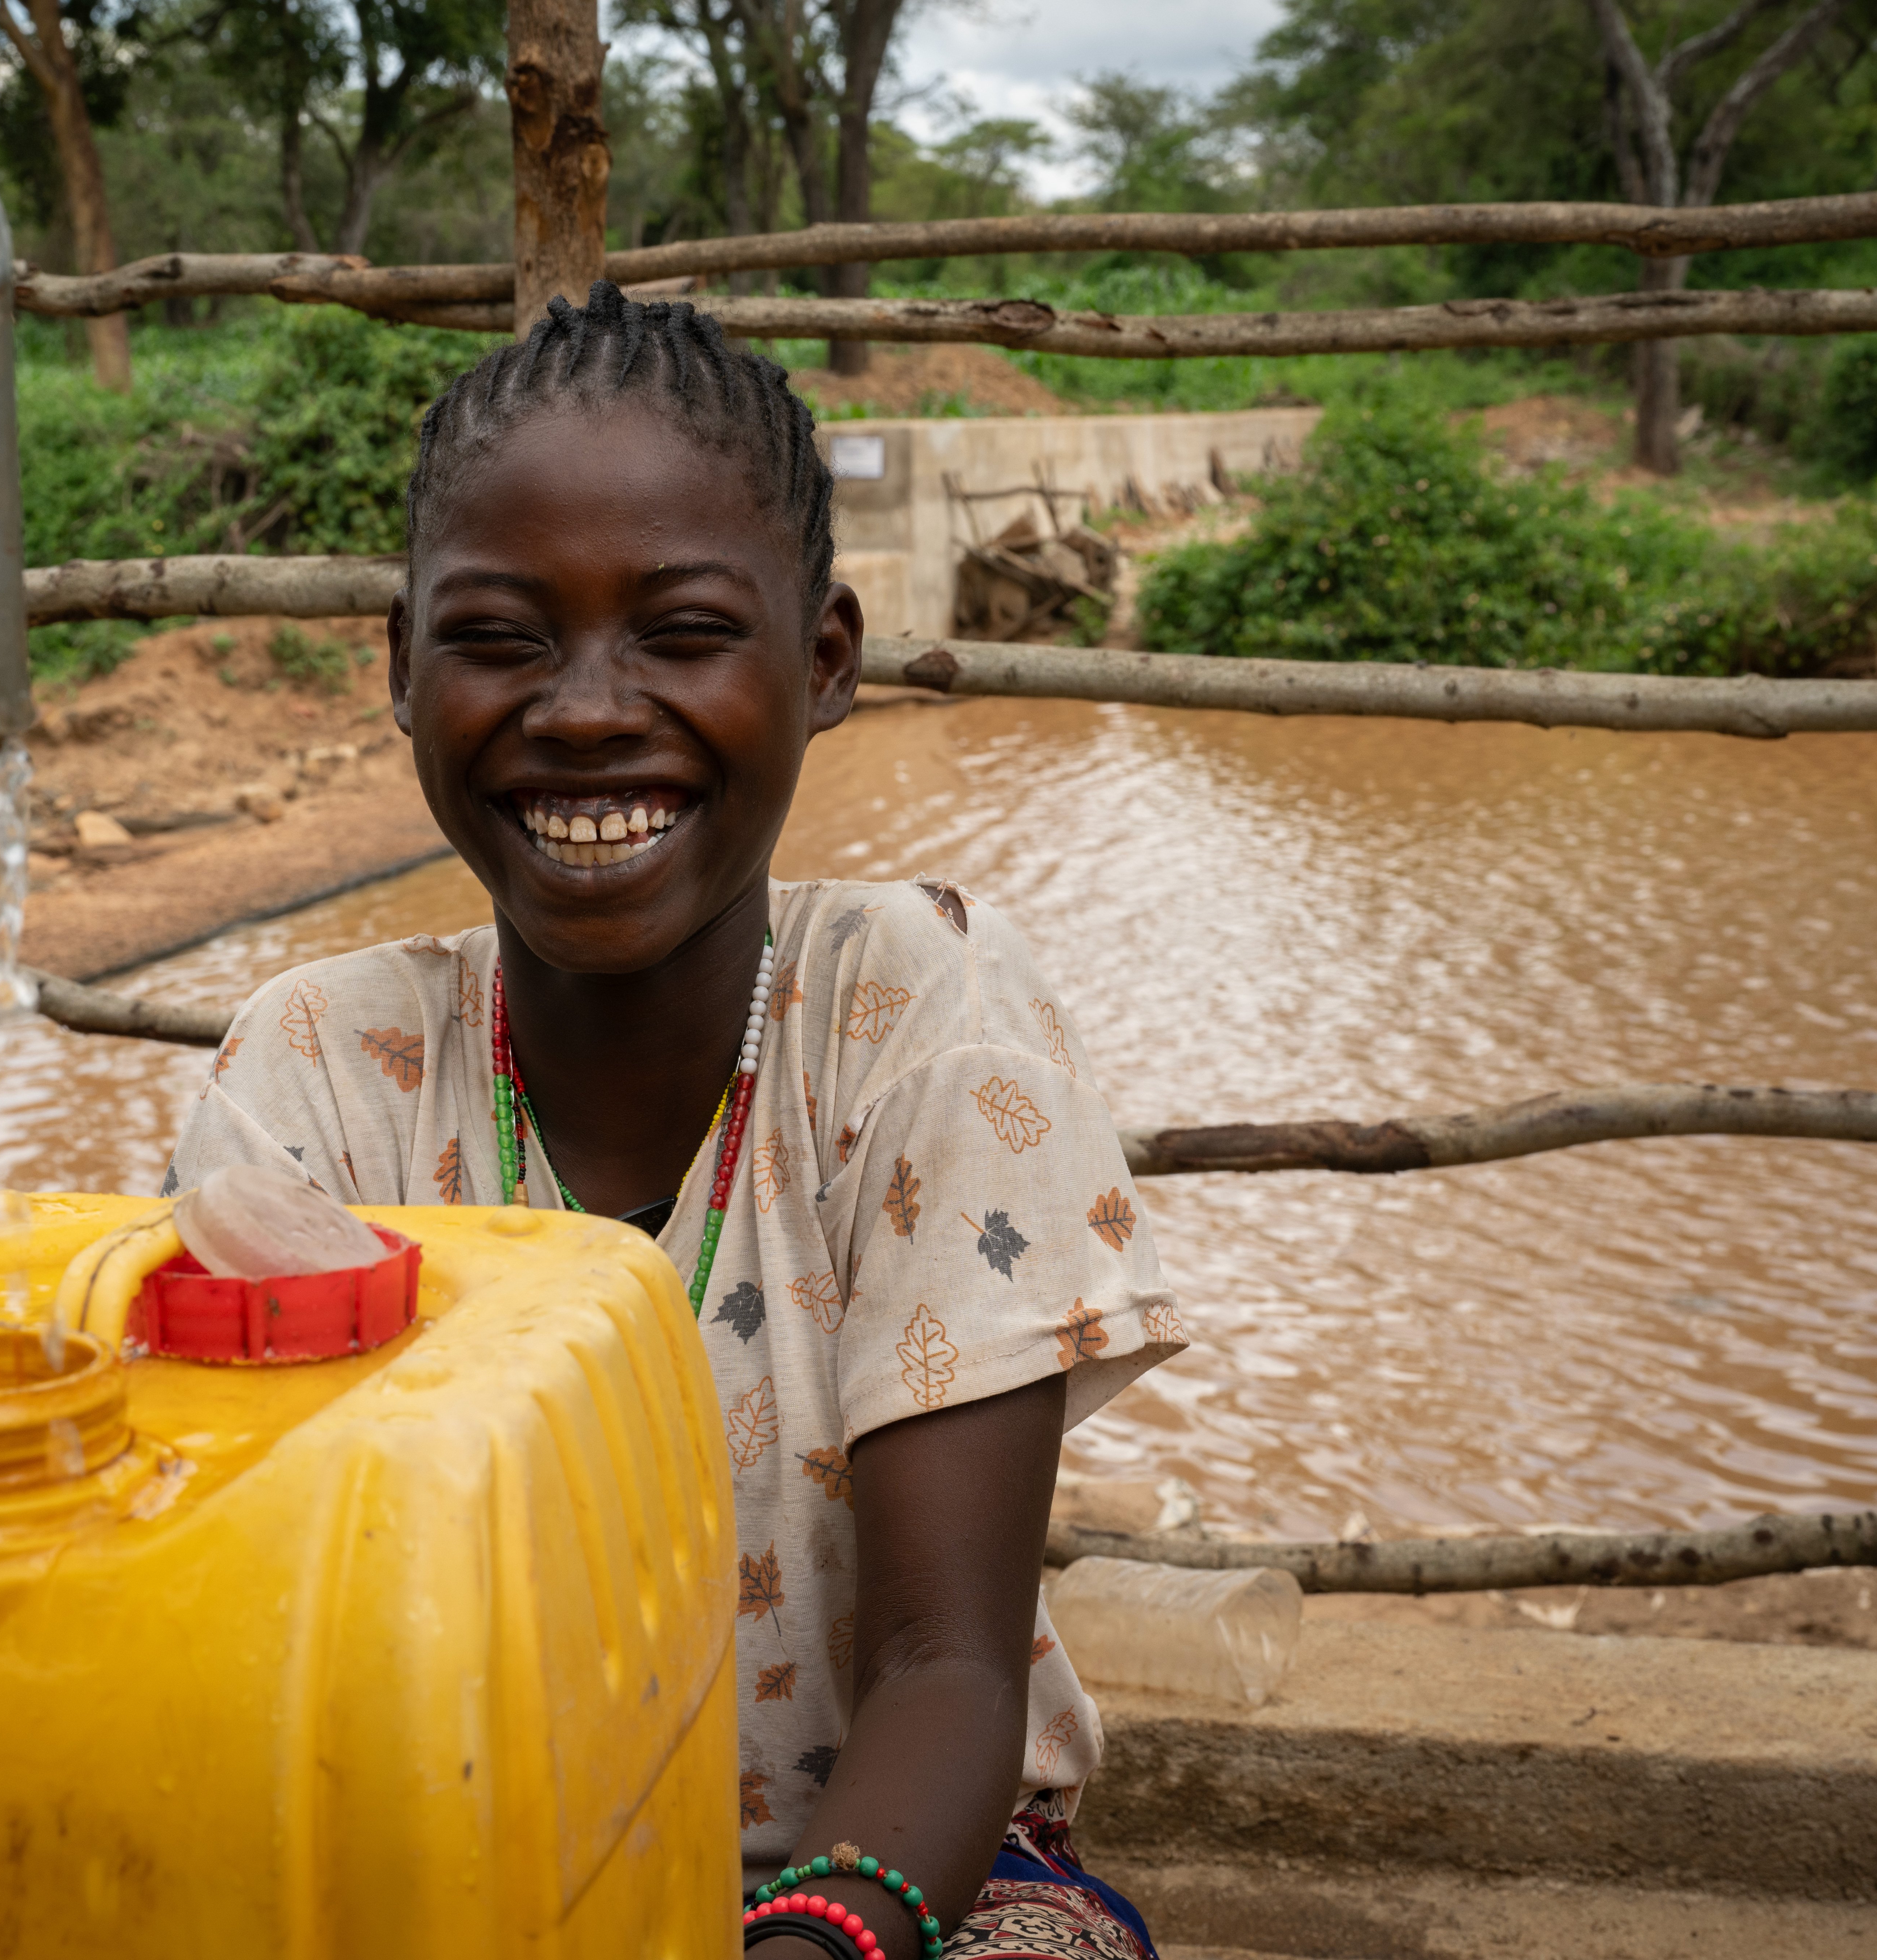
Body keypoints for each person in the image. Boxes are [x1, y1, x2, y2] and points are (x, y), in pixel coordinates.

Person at [168, 282, 1183, 1959]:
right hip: (441, 1887)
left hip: (885, 1881)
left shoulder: (924, 1017)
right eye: (497, 636)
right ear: (403, 668)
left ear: (827, 659)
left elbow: (947, 1668)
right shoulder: (318, 1067)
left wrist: (796, 1946)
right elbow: (249, 1630)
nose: (583, 708)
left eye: (684, 631)